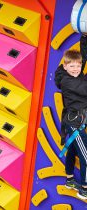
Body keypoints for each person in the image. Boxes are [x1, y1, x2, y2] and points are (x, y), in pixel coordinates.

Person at [54, 34, 87, 200]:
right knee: (86, 156)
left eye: (78, 65)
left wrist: (84, 39)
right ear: (66, 67)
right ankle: (84, 190)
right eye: (72, 66)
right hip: (75, 124)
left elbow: (83, 58)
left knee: (73, 150)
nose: (76, 69)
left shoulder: (64, 76)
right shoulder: (71, 83)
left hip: (72, 121)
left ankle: (69, 179)